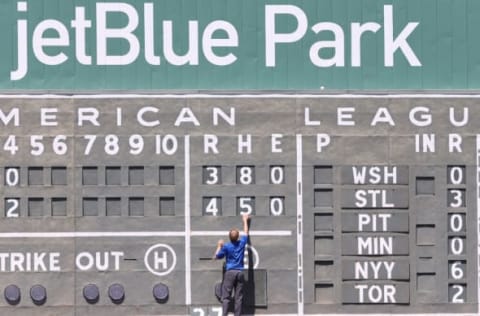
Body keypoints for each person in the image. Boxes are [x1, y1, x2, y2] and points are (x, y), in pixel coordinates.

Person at [214, 214, 251, 316]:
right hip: (240, 272)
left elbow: (216, 257)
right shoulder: (242, 243)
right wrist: (245, 220)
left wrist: (219, 246)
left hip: (230, 273)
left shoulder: (226, 246)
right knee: (238, 298)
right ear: (238, 236)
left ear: (229, 238)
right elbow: (246, 233)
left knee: (226, 297)